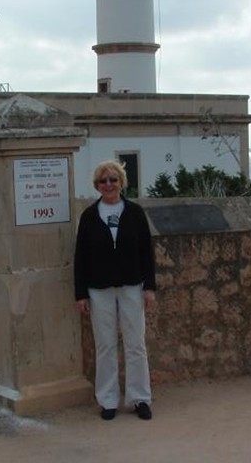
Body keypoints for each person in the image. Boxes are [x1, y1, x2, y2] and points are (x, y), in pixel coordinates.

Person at [74, 160, 156, 421]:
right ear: (97, 186)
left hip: (132, 285)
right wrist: (80, 294)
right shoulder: (89, 216)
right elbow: (81, 258)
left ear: (121, 182)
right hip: (99, 289)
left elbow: (146, 252)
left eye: (113, 179)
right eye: (103, 181)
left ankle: (139, 398)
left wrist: (149, 287)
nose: (108, 184)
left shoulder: (135, 213)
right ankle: (108, 400)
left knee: (136, 344)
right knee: (105, 345)